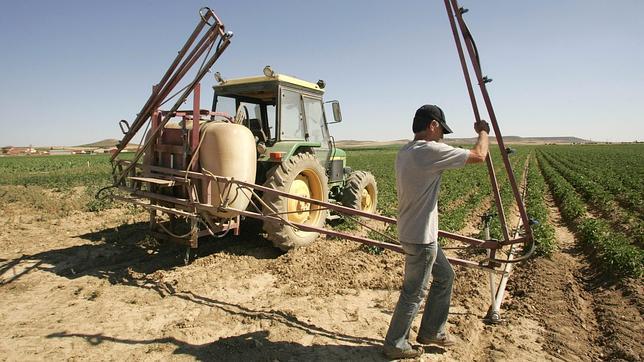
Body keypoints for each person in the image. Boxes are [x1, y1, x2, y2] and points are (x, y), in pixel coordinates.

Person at [383, 104, 490, 359]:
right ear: (432, 125)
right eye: (441, 129)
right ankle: (395, 344)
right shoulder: (429, 151)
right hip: (421, 238)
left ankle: (432, 330)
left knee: (445, 276)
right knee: (414, 292)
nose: (442, 135)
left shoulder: (406, 151)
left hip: (413, 232)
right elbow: (479, 155)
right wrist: (483, 132)